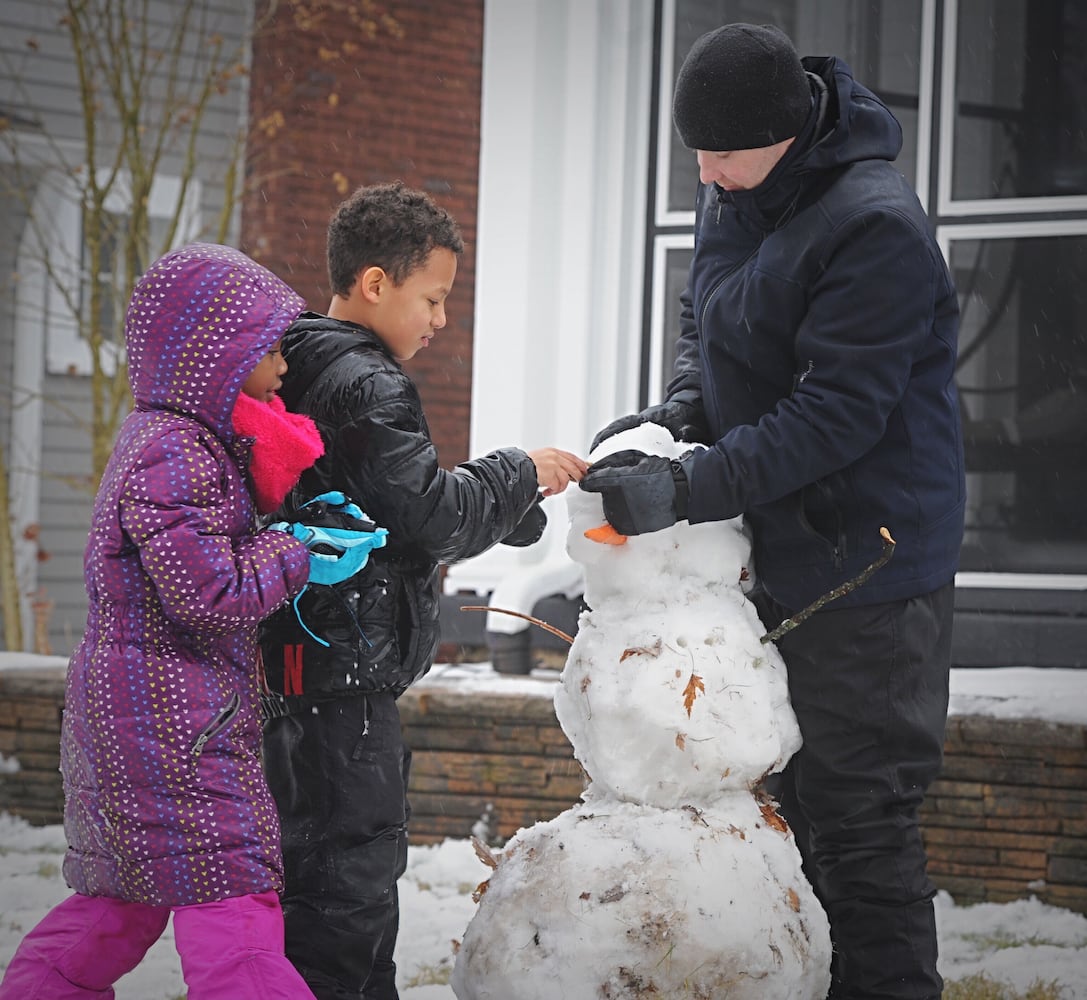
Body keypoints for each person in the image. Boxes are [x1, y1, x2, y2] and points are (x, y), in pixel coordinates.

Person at [583, 23, 964, 1000]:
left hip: (870, 566)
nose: (703, 172)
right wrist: (679, 411)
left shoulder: (873, 225)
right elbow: (702, 320)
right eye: (695, 151)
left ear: (784, 134)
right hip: (789, 550)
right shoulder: (737, 191)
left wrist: (685, 488)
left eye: (719, 151)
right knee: (794, 809)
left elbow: (832, 415)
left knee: (857, 820)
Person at [0, 242, 376, 1000]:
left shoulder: (180, 444)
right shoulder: (173, 451)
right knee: (234, 902)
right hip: (174, 725)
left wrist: (291, 526)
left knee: (126, 898)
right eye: (268, 350)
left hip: (154, 712)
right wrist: (295, 552)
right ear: (214, 360)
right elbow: (209, 591)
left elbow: (207, 552)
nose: (281, 368)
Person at [258, 180, 587, 1000]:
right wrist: (519, 472)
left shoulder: (297, 362)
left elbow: (387, 499)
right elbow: (427, 517)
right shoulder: (367, 381)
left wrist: (501, 507)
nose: (440, 319)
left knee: (319, 876)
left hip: (301, 663)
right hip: (347, 674)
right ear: (376, 283)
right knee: (349, 881)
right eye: (432, 297)